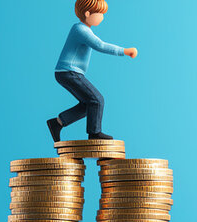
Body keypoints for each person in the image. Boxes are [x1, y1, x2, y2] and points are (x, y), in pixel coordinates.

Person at [47, 0, 137, 142]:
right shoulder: (80, 29)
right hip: (69, 72)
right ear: (87, 13)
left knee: (88, 105)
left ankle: (57, 123)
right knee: (97, 100)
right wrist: (125, 51)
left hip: (66, 72)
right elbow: (100, 45)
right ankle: (94, 134)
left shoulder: (83, 29)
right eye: (100, 13)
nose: (102, 17)